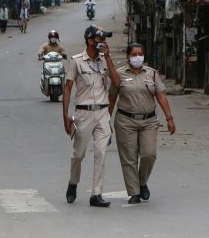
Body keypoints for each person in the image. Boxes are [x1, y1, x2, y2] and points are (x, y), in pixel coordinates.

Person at [108, 43, 175, 204]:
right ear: (128, 56)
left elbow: (160, 96)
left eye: (140, 54)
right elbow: (112, 98)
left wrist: (169, 118)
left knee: (149, 154)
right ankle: (134, 192)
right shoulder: (119, 74)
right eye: (134, 54)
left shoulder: (151, 74)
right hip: (125, 121)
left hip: (149, 121)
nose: (137, 57)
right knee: (129, 158)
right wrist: (105, 122)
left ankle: (142, 181)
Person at [62, 25, 118, 208]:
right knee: (78, 154)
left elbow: (117, 83)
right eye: (99, 39)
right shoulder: (77, 61)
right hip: (83, 113)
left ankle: (96, 194)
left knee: (101, 152)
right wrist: (65, 116)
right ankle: (73, 182)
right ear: (89, 40)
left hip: (102, 112)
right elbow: (68, 88)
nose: (103, 42)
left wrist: (108, 57)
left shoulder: (104, 60)